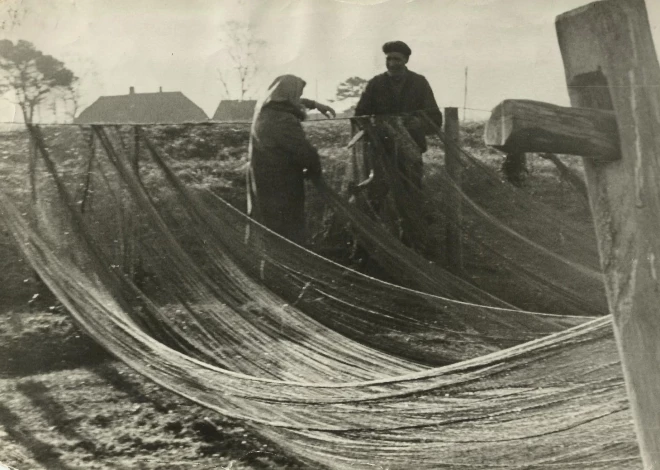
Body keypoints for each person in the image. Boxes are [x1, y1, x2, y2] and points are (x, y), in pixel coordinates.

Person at [246, 74, 333, 245]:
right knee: (287, 231)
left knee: (269, 227)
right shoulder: (282, 119)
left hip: (261, 177)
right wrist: (315, 171)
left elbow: (293, 102)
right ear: (289, 94)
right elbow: (305, 152)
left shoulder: (266, 109)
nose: (299, 98)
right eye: (298, 94)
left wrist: (314, 105)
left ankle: (274, 267)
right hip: (280, 183)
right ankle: (288, 268)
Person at [355, 40, 443, 155]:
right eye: (388, 59)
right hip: (381, 149)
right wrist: (374, 129)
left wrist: (418, 123)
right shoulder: (375, 83)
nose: (391, 63)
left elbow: (434, 117)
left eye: (397, 59)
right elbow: (359, 115)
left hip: (412, 147)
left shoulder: (419, 82)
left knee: (411, 173)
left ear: (406, 60)